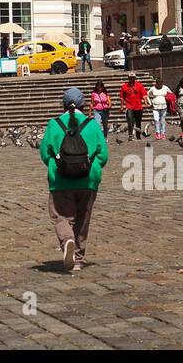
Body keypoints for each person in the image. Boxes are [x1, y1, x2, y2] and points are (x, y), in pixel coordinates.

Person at [39, 87, 109, 272]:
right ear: (83, 105)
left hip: (61, 180)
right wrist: (92, 168)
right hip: (88, 180)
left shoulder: (54, 124)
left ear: (63, 105)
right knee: (83, 218)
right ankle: (78, 258)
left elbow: (45, 153)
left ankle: (67, 240)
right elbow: (103, 154)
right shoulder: (92, 124)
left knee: (60, 215)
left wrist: (57, 167)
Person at [119, 71, 147, 139]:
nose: (132, 79)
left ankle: (138, 135)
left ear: (135, 78)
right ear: (128, 78)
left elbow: (144, 95)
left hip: (138, 107)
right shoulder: (124, 86)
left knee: (138, 122)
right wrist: (122, 106)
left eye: (133, 78)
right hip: (129, 106)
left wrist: (145, 103)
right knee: (130, 121)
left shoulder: (139, 85)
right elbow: (122, 98)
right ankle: (130, 135)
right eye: (130, 78)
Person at [147, 76, 173, 141]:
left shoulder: (165, 87)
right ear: (156, 83)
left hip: (164, 106)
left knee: (162, 120)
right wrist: (150, 103)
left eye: (160, 83)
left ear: (162, 83)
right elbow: (147, 95)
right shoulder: (152, 88)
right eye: (158, 83)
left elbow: (171, 94)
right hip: (155, 107)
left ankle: (163, 133)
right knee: (156, 120)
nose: (159, 84)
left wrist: (169, 100)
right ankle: (157, 132)